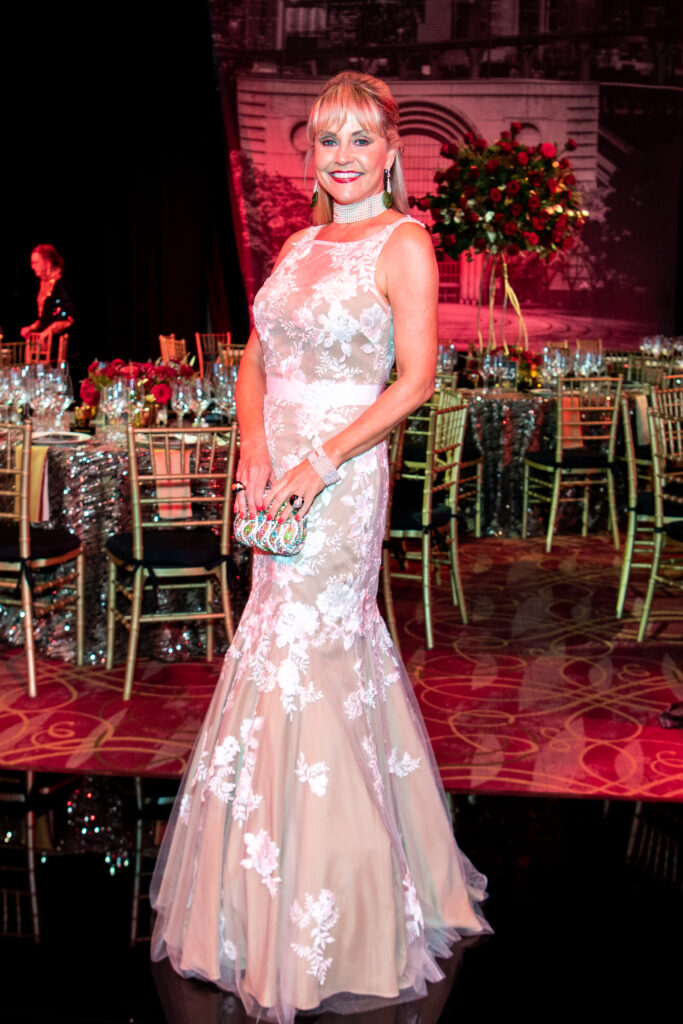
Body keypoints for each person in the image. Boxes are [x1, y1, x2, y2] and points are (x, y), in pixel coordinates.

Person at [151, 71, 491, 1022]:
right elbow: (255, 356)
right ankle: (258, 888)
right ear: (313, 152)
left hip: (341, 476)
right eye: (327, 139)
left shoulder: (403, 242)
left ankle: (340, 905)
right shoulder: (298, 245)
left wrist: (319, 459)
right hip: (277, 474)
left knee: (316, 647)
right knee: (271, 641)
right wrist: (254, 451)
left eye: (360, 138)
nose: (343, 156)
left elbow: (414, 381)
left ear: (390, 151)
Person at [20, 244, 74, 360]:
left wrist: (47, 332)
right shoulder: (44, 284)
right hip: (45, 346)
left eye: (36, 262)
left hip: (61, 348)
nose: (32, 267)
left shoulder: (62, 284)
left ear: (48, 263)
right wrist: (31, 328)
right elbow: (46, 317)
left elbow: (68, 317)